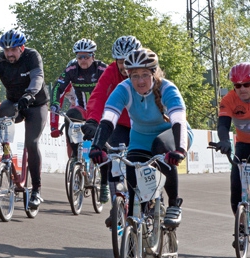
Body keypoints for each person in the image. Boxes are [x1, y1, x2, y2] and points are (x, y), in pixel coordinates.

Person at [89, 48, 193, 228]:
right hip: (140, 137)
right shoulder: (124, 89)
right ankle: (134, 226)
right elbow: (108, 119)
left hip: (173, 135)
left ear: (154, 73)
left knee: (160, 146)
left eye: (145, 74)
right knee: (134, 178)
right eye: (134, 75)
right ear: (128, 75)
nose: (140, 81)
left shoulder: (168, 88)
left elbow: (178, 121)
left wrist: (180, 149)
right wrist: (96, 146)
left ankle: (174, 204)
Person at [81, 36, 142, 224]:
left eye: (127, 61)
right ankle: (117, 204)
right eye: (120, 61)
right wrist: (92, 120)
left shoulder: (146, 70)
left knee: (144, 162)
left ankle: (153, 200)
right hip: (120, 123)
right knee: (114, 157)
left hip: (143, 125)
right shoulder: (110, 71)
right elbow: (98, 96)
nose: (124, 67)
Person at [0, 29, 50, 209]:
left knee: (31, 142)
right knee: (1, 114)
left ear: (21, 48)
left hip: (35, 103)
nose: (9, 54)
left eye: (13, 50)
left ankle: (37, 190)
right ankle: (7, 156)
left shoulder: (32, 56)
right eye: (6, 50)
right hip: (14, 101)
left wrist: (30, 94)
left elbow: (37, 77)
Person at [50, 38, 107, 200]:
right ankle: (76, 157)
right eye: (79, 56)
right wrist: (54, 104)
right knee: (71, 115)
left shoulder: (102, 69)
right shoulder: (72, 69)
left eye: (86, 56)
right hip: (83, 110)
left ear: (93, 56)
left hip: (102, 111)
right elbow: (57, 88)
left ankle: (104, 184)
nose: (82, 60)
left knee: (103, 148)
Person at [215, 62, 250, 216]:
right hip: (242, 145)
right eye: (237, 85)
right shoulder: (229, 100)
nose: (242, 89)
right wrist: (224, 141)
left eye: (247, 84)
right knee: (235, 186)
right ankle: (242, 228)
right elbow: (223, 125)